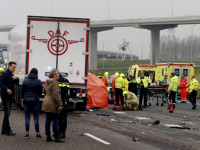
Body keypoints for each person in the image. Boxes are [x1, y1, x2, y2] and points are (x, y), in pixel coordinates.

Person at [42, 69, 64, 142]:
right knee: (55, 120)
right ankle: (56, 137)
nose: (57, 75)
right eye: (55, 74)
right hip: (53, 103)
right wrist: (60, 104)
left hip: (46, 101)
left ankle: (48, 136)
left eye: (58, 73)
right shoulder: (55, 83)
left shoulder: (47, 82)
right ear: (52, 75)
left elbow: (44, 91)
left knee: (48, 120)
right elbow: (56, 95)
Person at [21, 68, 43, 139]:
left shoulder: (25, 80)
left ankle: (27, 133)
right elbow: (40, 92)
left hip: (26, 100)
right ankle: (37, 134)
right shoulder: (38, 81)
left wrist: (24, 97)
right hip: (35, 101)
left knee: (27, 117)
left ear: (30, 73)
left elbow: (22, 90)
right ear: (36, 73)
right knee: (36, 118)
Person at [0, 61, 19, 135]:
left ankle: (3, 130)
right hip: (5, 95)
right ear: (9, 66)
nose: (14, 68)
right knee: (7, 113)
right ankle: (8, 130)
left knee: (7, 113)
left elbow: (16, 83)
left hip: (10, 96)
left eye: (15, 67)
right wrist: (6, 89)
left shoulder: (11, 74)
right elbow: (0, 82)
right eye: (13, 67)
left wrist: (16, 79)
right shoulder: (5, 74)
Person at [58, 72, 69, 138]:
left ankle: (62, 133)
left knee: (62, 118)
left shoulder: (65, 81)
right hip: (57, 100)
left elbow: (65, 90)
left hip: (62, 100)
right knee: (57, 118)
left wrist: (56, 93)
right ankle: (58, 131)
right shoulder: (54, 81)